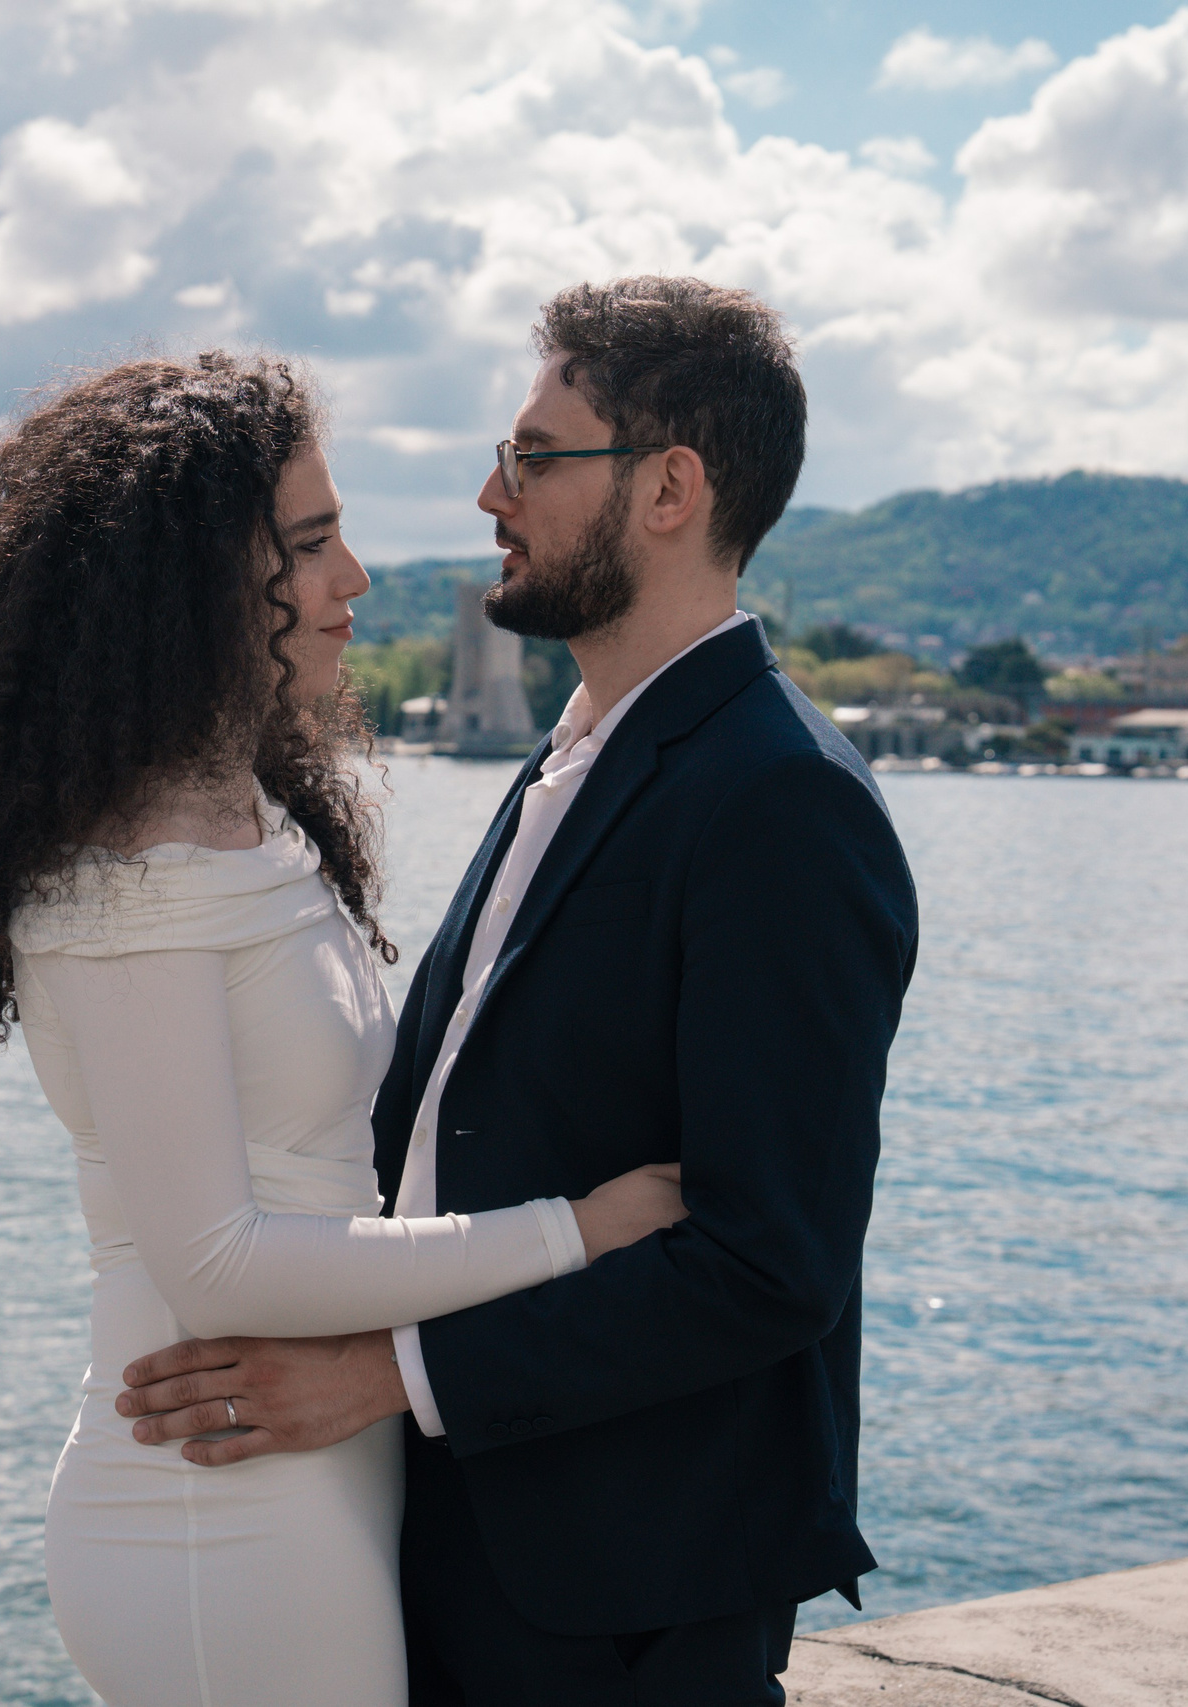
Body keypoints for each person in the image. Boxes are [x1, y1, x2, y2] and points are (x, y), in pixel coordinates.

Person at [113, 278, 921, 1705]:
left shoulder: (781, 801)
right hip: (467, 1540)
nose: (493, 490)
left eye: (536, 455)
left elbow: (766, 1264)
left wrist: (384, 1377)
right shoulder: (585, 752)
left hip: (622, 1598)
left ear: (670, 489)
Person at [0, 351, 691, 1707]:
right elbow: (220, 1267)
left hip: (303, 1488)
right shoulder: (131, 868)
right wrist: (578, 1235)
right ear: (187, 589)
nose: (353, 579)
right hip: (212, 1514)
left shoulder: (241, 817)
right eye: (309, 545)